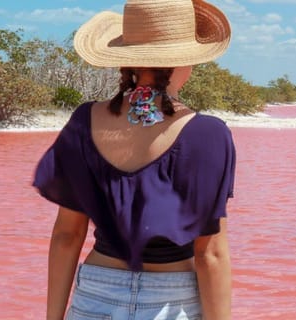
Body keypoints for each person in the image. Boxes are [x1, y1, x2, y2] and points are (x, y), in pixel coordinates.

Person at [32, 1, 235, 319]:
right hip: (172, 300)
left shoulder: (85, 120)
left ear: (126, 59)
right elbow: (210, 253)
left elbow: (67, 235)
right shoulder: (207, 133)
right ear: (183, 61)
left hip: (94, 297)